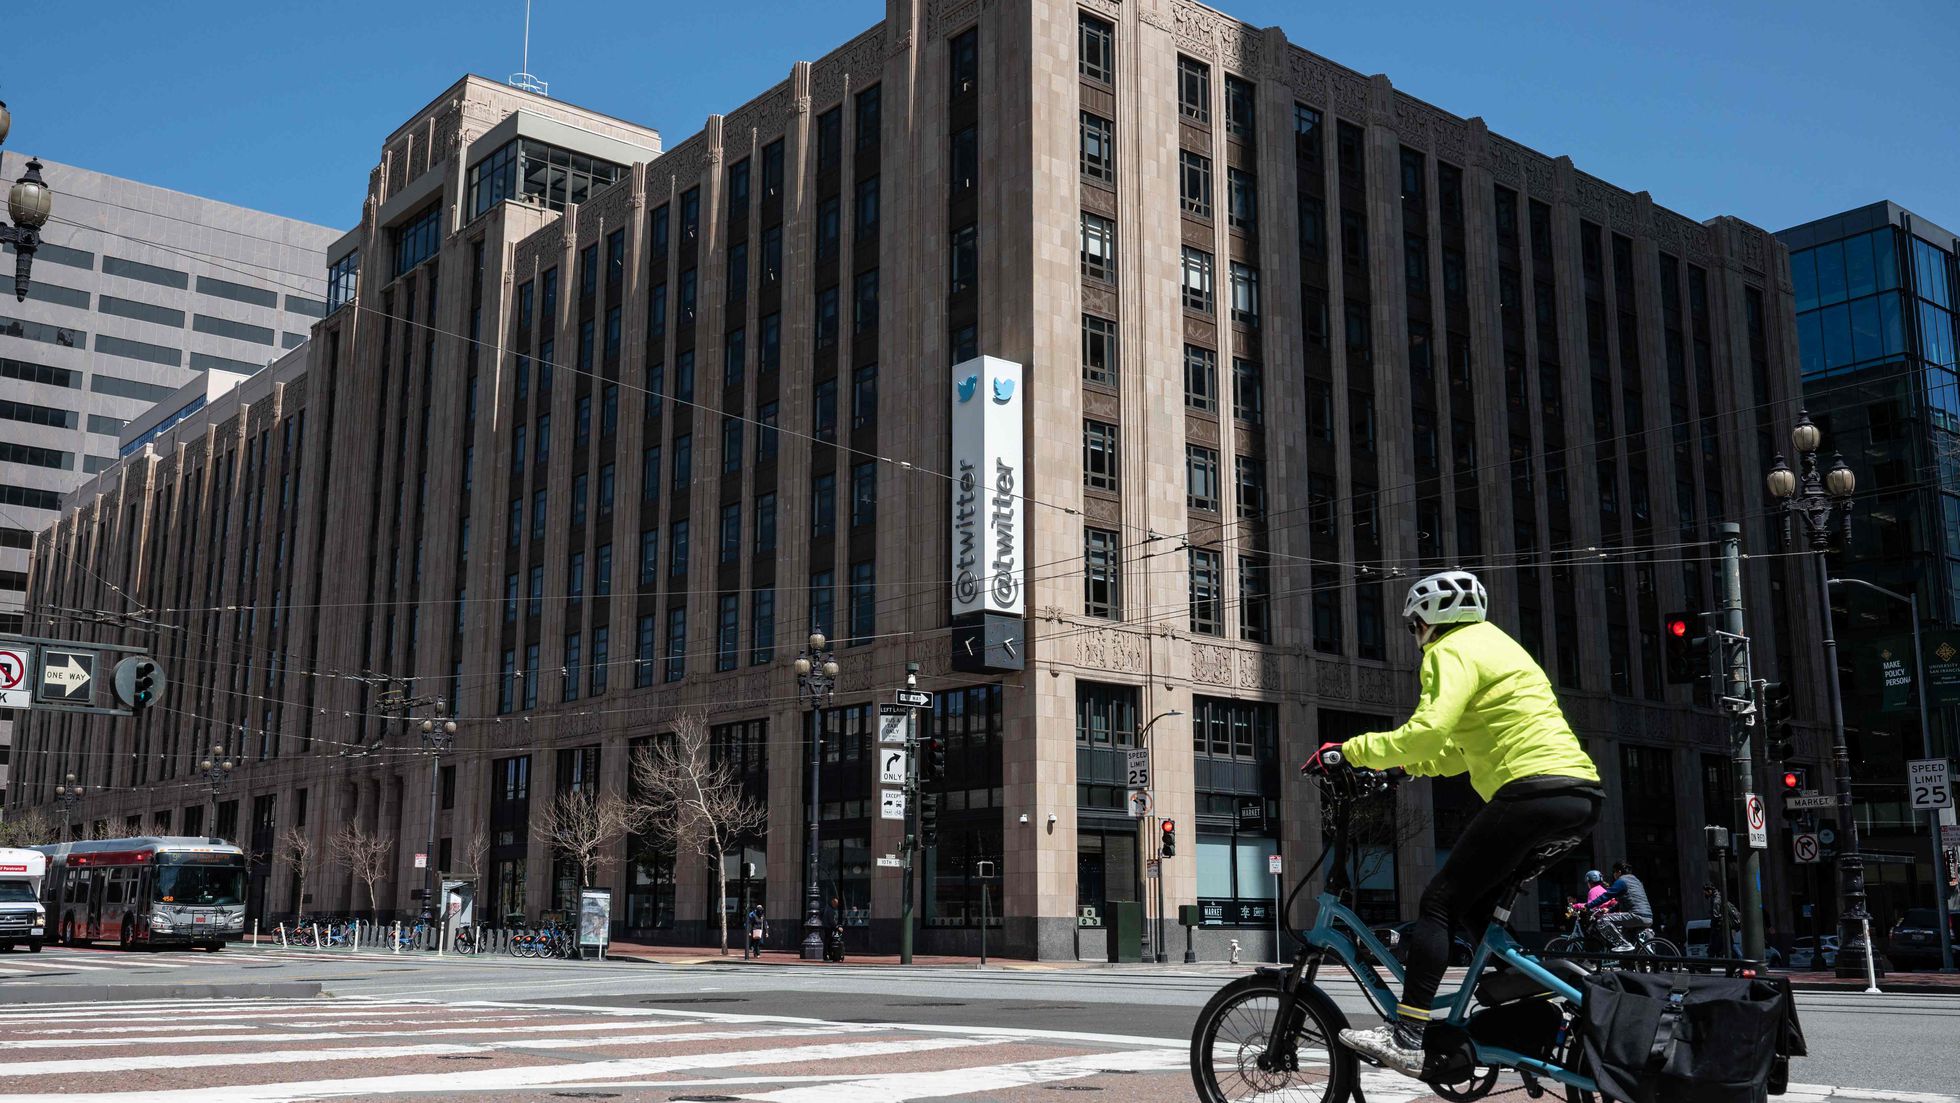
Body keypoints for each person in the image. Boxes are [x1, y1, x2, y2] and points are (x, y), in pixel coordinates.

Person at [1304, 570, 1604, 1079]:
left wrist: (1351, 751)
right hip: (1577, 795)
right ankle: (1514, 987)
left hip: (1531, 790)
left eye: (1412, 625)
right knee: (1476, 902)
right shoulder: (1501, 645)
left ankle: (1409, 1036)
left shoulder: (1449, 651)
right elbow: (1454, 753)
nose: (1414, 635)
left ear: (1427, 620)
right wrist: (1399, 767)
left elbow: (1427, 732)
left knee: (1439, 901)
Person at [1589, 860, 1654, 951]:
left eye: (1614, 872)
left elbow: (1607, 895)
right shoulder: (1636, 881)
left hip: (1636, 916)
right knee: (1628, 941)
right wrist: (1610, 910)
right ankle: (1630, 961)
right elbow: (1624, 901)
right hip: (1648, 917)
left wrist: (1588, 905)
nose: (1613, 875)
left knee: (1602, 920)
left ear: (1619, 872)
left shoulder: (1622, 881)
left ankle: (1622, 944)